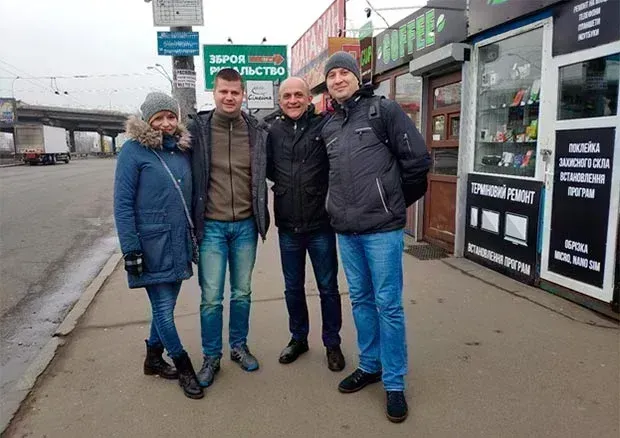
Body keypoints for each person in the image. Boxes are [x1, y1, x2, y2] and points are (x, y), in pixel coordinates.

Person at [321, 52, 431, 423]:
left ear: (357, 77)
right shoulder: (330, 126)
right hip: (347, 231)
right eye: (332, 75)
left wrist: (392, 203)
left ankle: (394, 383)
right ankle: (370, 365)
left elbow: (417, 161)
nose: (338, 79)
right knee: (361, 301)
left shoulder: (384, 111)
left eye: (344, 73)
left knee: (388, 305)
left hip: (382, 230)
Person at [113, 92, 203, 400]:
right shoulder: (133, 151)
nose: (166, 123)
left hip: (178, 242)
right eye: (159, 118)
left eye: (171, 116)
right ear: (147, 120)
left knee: (165, 307)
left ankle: (152, 358)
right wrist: (131, 249)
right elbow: (122, 204)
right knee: (163, 309)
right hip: (150, 246)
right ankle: (183, 365)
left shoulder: (180, 150)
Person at [188, 68, 269, 388]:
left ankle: (238, 346)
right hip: (211, 227)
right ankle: (211, 356)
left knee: (242, 292)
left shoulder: (256, 130)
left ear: (243, 94)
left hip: (246, 225)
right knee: (211, 297)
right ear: (214, 92)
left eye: (235, 92)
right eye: (224, 91)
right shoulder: (198, 130)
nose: (229, 97)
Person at [266, 77, 344, 371]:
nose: (293, 100)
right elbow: (269, 169)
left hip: (320, 224)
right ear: (280, 101)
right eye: (287, 96)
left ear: (309, 98)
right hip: (288, 225)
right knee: (292, 288)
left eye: (298, 95)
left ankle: (332, 342)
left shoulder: (324, 125)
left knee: (328, 287)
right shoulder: (272, 131)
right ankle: (298, 338)